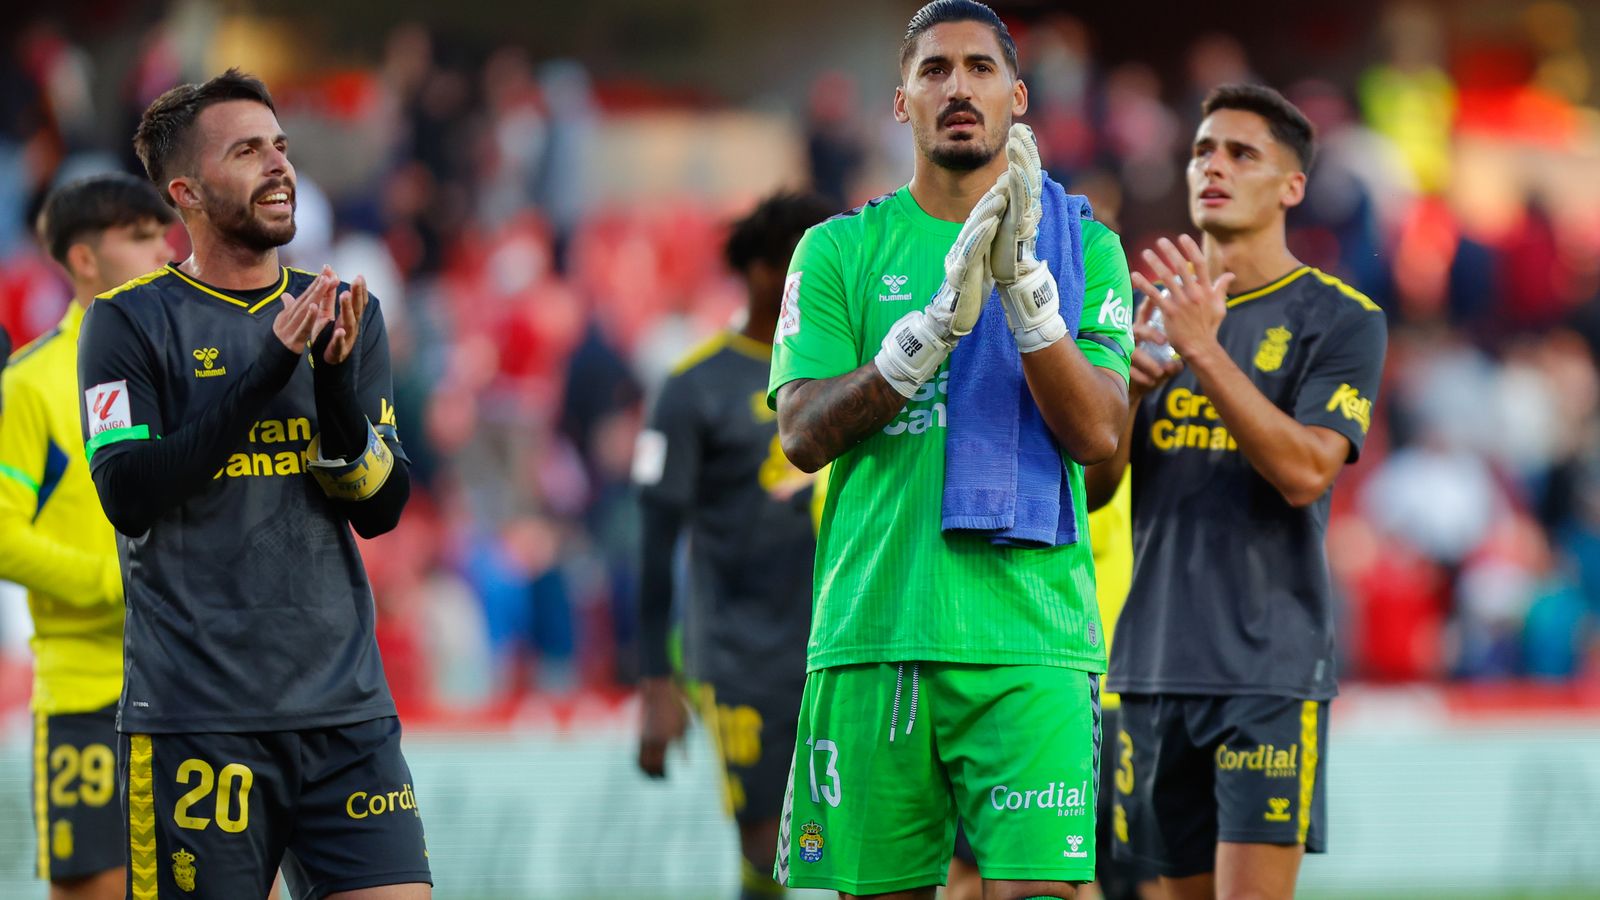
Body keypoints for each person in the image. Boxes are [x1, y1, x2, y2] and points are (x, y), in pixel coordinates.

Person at [768, 2, 1135, 896]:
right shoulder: (836, 250)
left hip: (1029, 640)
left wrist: (1023, 292)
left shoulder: (1083, 247)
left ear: (1017, 100)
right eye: (933, 70)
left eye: (978, 69)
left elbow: (1097, 436)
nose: (957, 87)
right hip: (873, 633)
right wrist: (923, 338)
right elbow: (802, 433)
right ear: (901, 102)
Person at [77, 69, 430, 899]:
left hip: (346, 713)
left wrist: (336, 390)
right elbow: (128, 490)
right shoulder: (127, 322)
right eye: (247, 151)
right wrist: (272, 366)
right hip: (197, 724)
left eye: (281, 146)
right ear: (186, 192)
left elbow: (382, 508)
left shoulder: (343, 312)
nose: (279, 166)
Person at [1085, 84, 1388, 900]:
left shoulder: (1342, 320)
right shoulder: (1143, 320)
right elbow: (1093, 491)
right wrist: (1132, 398)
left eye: (1241, 154)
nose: (1212, 166)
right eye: (1201, 151)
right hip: (1148, 669)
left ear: (1291, 186)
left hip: (1267, 672)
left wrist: (1203, 355)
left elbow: (1303, 473)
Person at [634, 190, 835, 900]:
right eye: (802, 264)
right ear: (759, 272)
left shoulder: (854, 374)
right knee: (767, 843)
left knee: (878, 845)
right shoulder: (694, 389)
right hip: (741, 654)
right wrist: (656, 679)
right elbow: (655, 542)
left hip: (844, 643)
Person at [0, 173, 174, 900]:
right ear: (83, 261)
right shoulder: (32, 384)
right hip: (87, 693)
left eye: (165, 234)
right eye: (139, 237)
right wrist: (117, 582)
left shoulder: (194, 367)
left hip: (204, 686)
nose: (164, 251)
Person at [947, 472, 1159, 900]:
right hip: (1118, 684)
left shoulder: (1054, 449)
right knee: (1109, 877)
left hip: (1043, 673)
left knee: (990, 873)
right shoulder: (1127, 440)